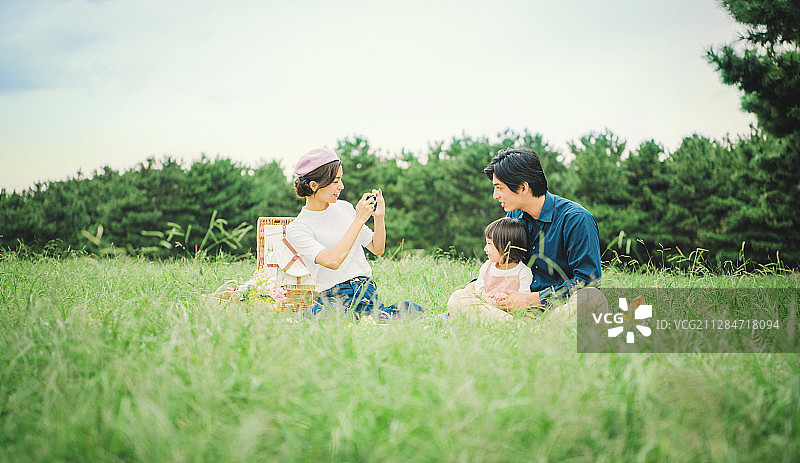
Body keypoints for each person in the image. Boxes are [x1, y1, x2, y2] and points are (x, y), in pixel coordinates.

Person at [285, 148, 422, 318]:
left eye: (341, 180)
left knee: (412, 310)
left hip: (365, 292)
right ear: (314, 186)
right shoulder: (298, 228)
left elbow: (377, 248)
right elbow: (332, 261)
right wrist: (358, 220)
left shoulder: (345, 208)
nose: (341, 186)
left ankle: (366, 317)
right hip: (334, 297)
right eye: (335, 181)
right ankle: (369, 318)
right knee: (324, 316)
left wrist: (379, 218)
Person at [483, 147, 604, 317]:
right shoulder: (514, 216)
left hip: (558, 307)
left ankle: (540, 329)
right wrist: (477, 286)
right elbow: (503, 263)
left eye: (499, 188)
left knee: (591, 297)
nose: (495, 195)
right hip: (515, 305)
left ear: (523, 187)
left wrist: (532, 299)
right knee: (459, 298)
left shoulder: (576, 219)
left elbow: (588, 281)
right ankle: (518, 327)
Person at [446, 217, 533, 321]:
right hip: (486, 306)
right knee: (459, 295)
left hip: (508, 310)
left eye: (489, 244)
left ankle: (509, 322)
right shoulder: (487, 266)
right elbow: (478, 293)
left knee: (459, 300)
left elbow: (523, 301)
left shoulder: (522, 272)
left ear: (505, 247)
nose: (485, 249)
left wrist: (505, 298)